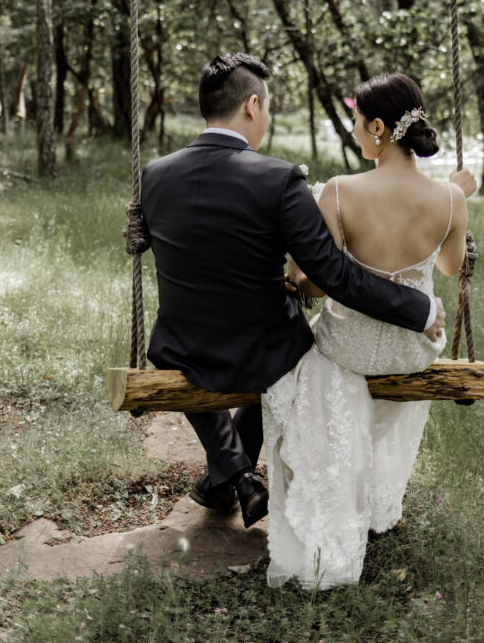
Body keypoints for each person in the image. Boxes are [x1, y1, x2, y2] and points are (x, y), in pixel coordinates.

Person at [140, 54, 446, 530]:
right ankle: (236, 473)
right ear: (252, 105)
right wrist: (418, 307)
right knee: (299, 346)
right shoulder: (278, 179)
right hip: (262, 348)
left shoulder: (155, 174)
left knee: (192, 340)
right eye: (268, 108)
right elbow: (336, 276)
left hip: (179, 345)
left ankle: (232, 474)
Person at [263, 72, 477, 589]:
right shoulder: (450, 200)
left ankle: (318, 490)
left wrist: (294, 274)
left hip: (350, 347)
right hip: (413, 348)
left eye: (357, 123)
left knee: (298, 371)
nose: (354, 132)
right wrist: (457, 204)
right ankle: (375, 495)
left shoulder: (338, 192)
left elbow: (316, 280)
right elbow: (450, 268)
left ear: (379, 127)